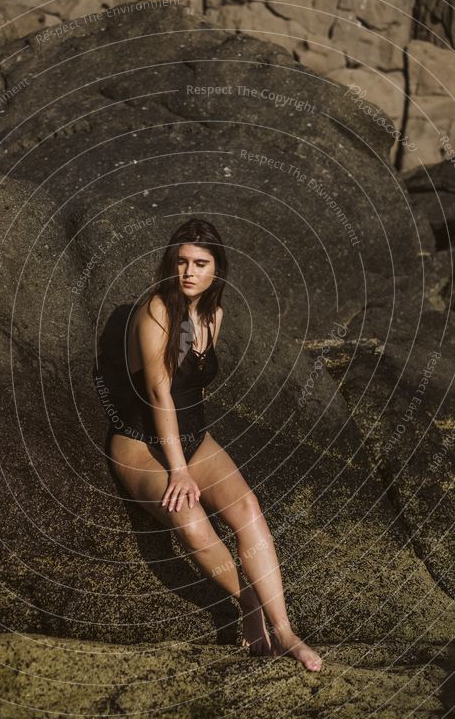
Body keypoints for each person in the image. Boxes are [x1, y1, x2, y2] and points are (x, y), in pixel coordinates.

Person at [102, 218, 322, 670]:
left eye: (200, 264)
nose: (189, 272)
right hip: (141, 442)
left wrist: (195, 454)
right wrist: (179, 471)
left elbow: (193, 392)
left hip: (193, 436)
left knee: (248, 509)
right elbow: (160, 392)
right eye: (181, 262)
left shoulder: (213, 315)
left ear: (216, 270)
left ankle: (285, 630)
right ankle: (250, 604)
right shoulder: (156, 310)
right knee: (191, 519)